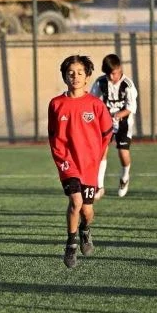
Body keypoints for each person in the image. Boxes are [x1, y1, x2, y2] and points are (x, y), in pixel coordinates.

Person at [48, 55, 113, 268]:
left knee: (87, 210)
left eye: (79, 73)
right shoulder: (56, 104)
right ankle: (71, 244)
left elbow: (106, 133)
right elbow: (53, 135)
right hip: (67, 163)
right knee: (75, 202)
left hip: (89, 166)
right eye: (70, 73)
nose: (75, 77)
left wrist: (99, 156)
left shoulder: (96, 105)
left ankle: (85, 230)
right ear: (64, 76)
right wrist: (61, 158)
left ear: (87, 77)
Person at [89, 53, 138, 199]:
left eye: (114, 73)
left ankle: (125, 177)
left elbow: (130, 108)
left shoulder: (127, 85)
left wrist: (116, 116)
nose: (111, 77)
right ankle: (99, 186)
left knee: (123, 153)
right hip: (105, 123)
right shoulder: (100, 82)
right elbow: (93, 101)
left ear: (119, 69)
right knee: (101, 151)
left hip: (123, 123)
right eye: (108, 73)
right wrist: (101, 115)